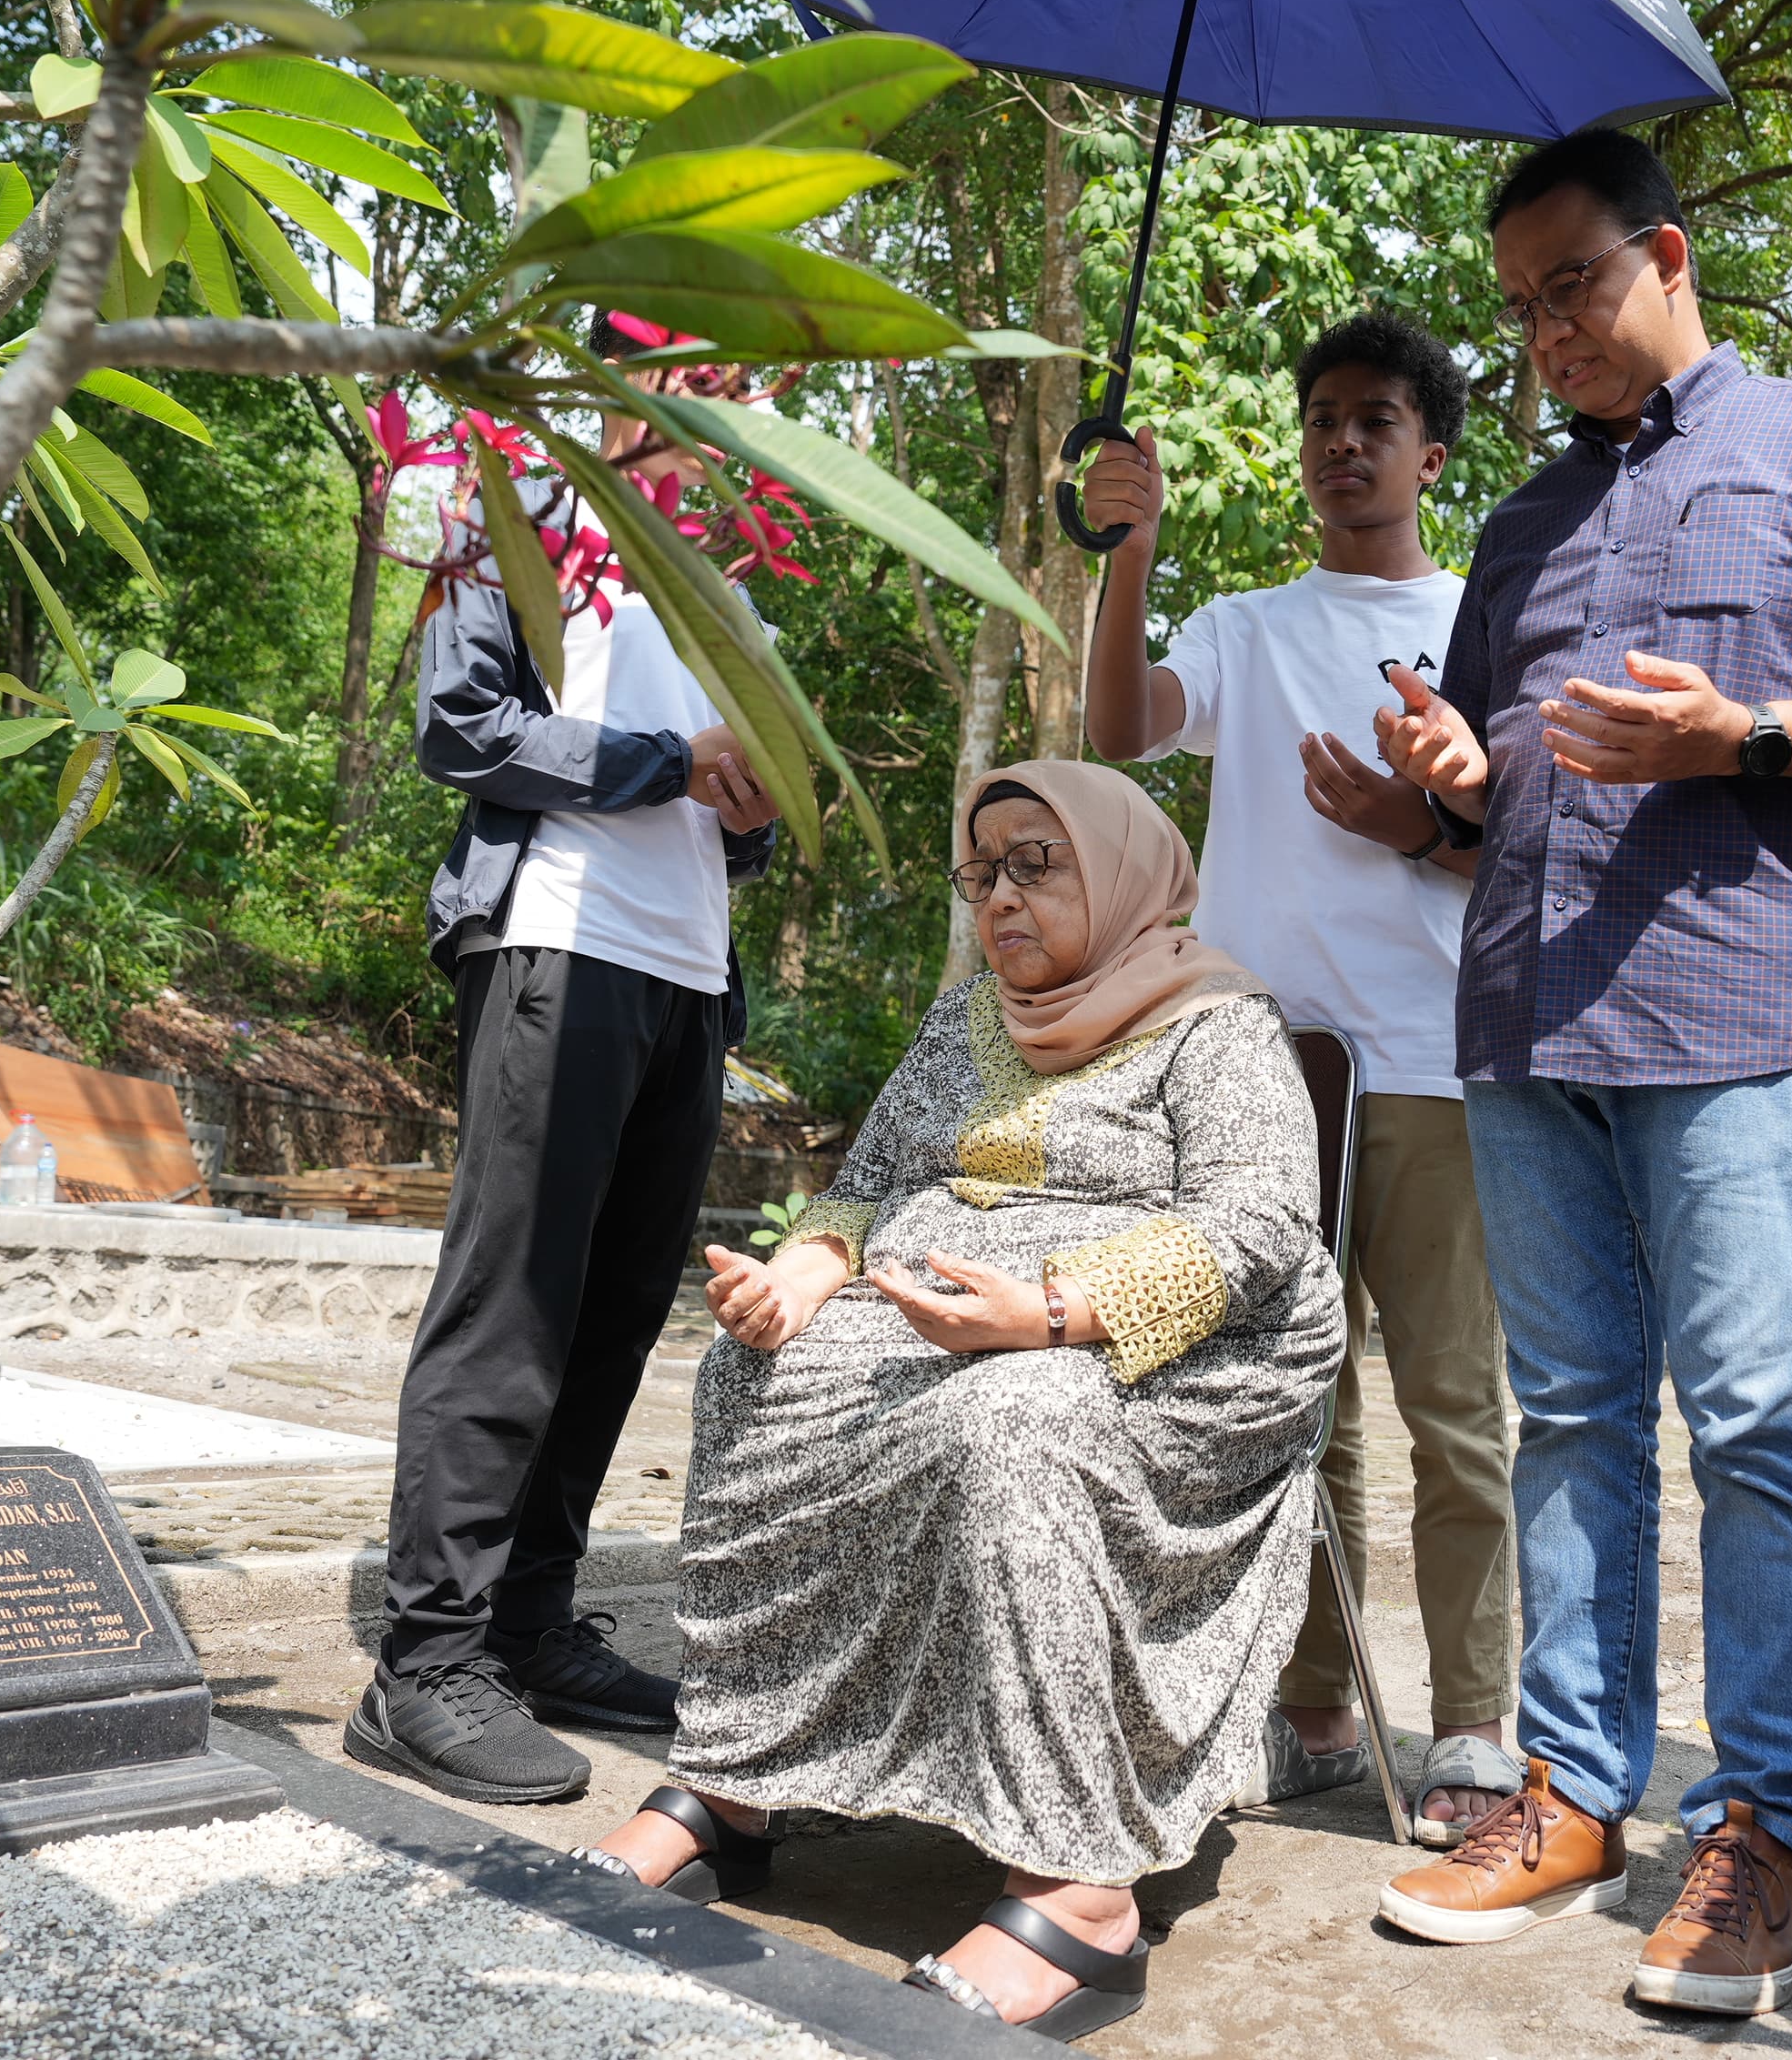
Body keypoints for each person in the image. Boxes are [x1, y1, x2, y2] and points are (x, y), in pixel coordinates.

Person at [1366, 127, 1792, 2015]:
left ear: (1665, 253)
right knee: (1564, 1409)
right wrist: (1455, 780)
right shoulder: (1520, 528)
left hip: (1729, 1011)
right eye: (1521, 307)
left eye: (1572, 282)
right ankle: (1570, 1790)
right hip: (1525, 1017)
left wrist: (1749, 735)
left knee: (1755, 1420)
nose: (1547, 331)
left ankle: (1769, 1832)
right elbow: (1485, 777)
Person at [568, 761, 1344, 2043]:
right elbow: (870, 1183)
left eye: (1036, 863)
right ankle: (740, 1783)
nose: (1000, 897)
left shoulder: (1219, 1022)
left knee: (1013, 1422)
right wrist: (807, 1270)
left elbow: (1262, 1228)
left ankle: (1078, 1895)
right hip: (940, 1314)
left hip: (1157, 1344)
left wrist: (1046, 1313)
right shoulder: (969, 1018)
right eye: (981, 873)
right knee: (756, 1374)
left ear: (1123, 866)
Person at [1076, 306, 1521, 1845]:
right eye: (1324, 416)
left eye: (1377, 419)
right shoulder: (1247, 623)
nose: (1345, 442)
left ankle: (1473, 1730)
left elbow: (1523, 837)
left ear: (1432, 453)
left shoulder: (1488, 623)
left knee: (1457, 1406)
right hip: (1259, 1068)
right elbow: (1112, 726)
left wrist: (1418, 816)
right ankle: (1314, 1710)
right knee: (1288, 1397)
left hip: (1437, 1064)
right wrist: (1125, 549)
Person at [344, 415, 780, 1805]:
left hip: (689, 972)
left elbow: (740, 817)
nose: (717, 397)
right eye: (684, 361)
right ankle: (425, 1660)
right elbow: (461, 727)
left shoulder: (728, 576)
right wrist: (672, 758)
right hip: (556, 937)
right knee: (515, 1300)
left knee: (617, 1312)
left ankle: (529, 1627)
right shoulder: (510, 515)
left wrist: (754, 802)